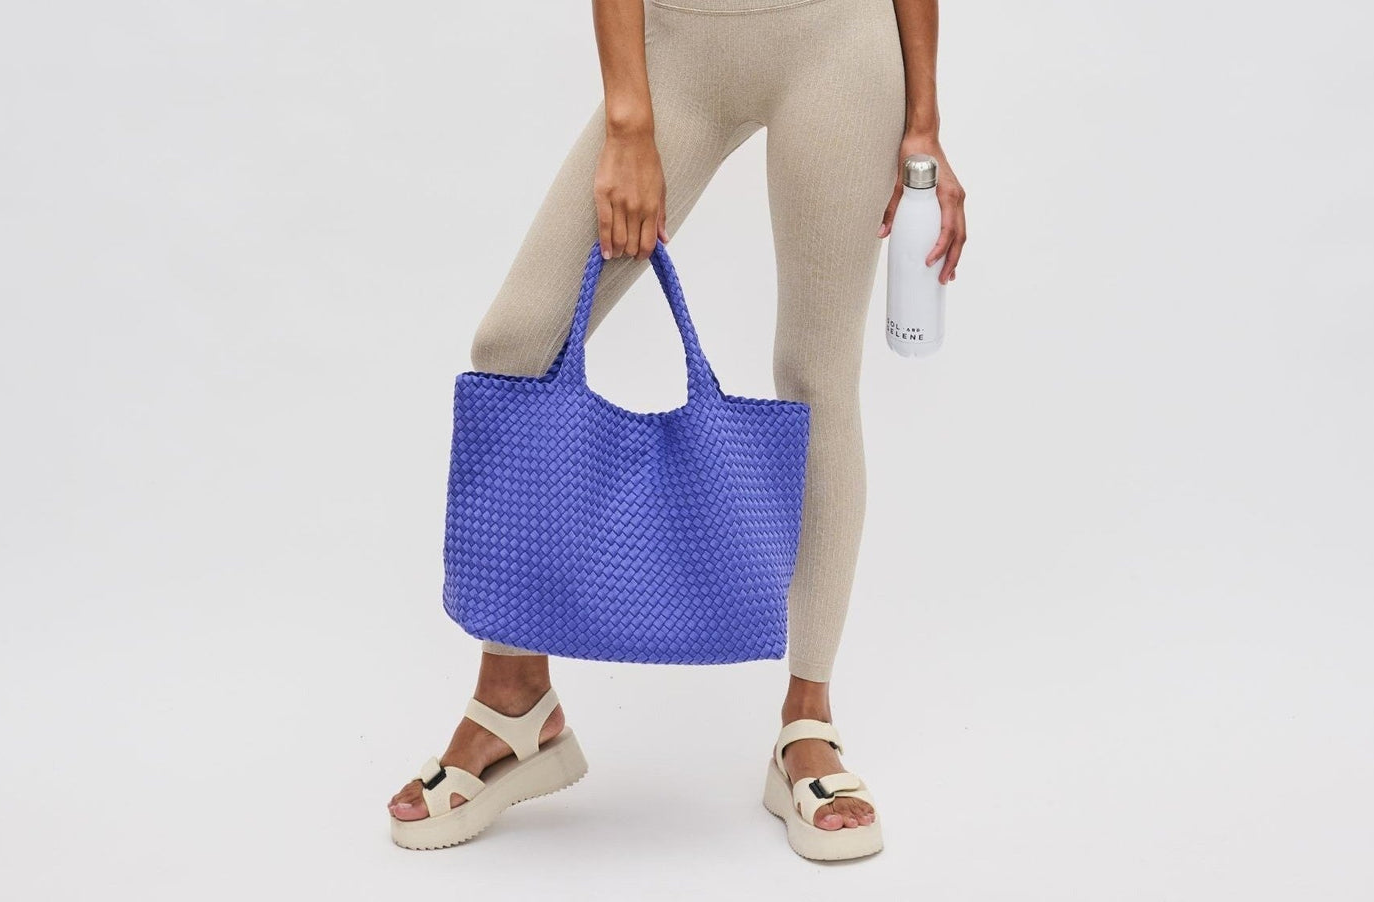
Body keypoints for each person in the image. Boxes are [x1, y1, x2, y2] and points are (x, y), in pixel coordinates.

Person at [388, 0, 966, 861]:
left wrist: (924, 123)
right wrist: (629, 119)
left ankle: (807, 724)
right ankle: (515, 702)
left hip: (839, 39)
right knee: (515, 343)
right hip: (678, 43)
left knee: (816, 375)